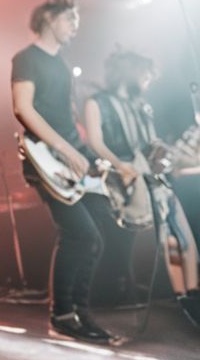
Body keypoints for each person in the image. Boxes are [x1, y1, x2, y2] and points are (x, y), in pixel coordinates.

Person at [11, 0, 118, 344]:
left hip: (70, 154)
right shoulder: (26, 59)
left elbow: (65, 114)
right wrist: (64, 149)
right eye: (70, 19)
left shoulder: (61, 63)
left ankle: (77, 312)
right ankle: (64, 314)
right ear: (49, 19)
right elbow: (24, 109)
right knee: (82, 234)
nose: (75, 26)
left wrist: (85, 150)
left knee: (94, 232)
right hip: (45, 158)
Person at [84, 49, 200, 315]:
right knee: (122, 243)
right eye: (146, 74)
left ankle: (187, 294)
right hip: (120, 179)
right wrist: (122, 166)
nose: (149, 80)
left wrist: (164, 154)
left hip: (152, 176)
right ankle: (119, 294)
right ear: (132, 72)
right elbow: (95, 141)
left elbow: (151, 142)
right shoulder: (97, 102)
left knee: (177, 235)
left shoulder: (142, 106)